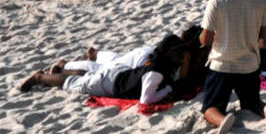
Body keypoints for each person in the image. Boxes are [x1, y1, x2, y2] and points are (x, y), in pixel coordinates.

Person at [199, 0, 266, 134]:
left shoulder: (217, 0)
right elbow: (264, 35)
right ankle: (264, 109)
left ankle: (222, 119)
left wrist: (201, 39)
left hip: (222, 66)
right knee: (251, 103)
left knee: (209, 108)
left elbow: (206, 39)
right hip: (249, 65)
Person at [19, 27, 204, 105]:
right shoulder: (155, 71)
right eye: (178, 54)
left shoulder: (158, 62)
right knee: (73, 83)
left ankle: (64, 68)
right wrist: (170, 89)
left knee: (88, 76)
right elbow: (146, 100)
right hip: (112, 81)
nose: (181, 57)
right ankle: (40, 77)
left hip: (119, 74)